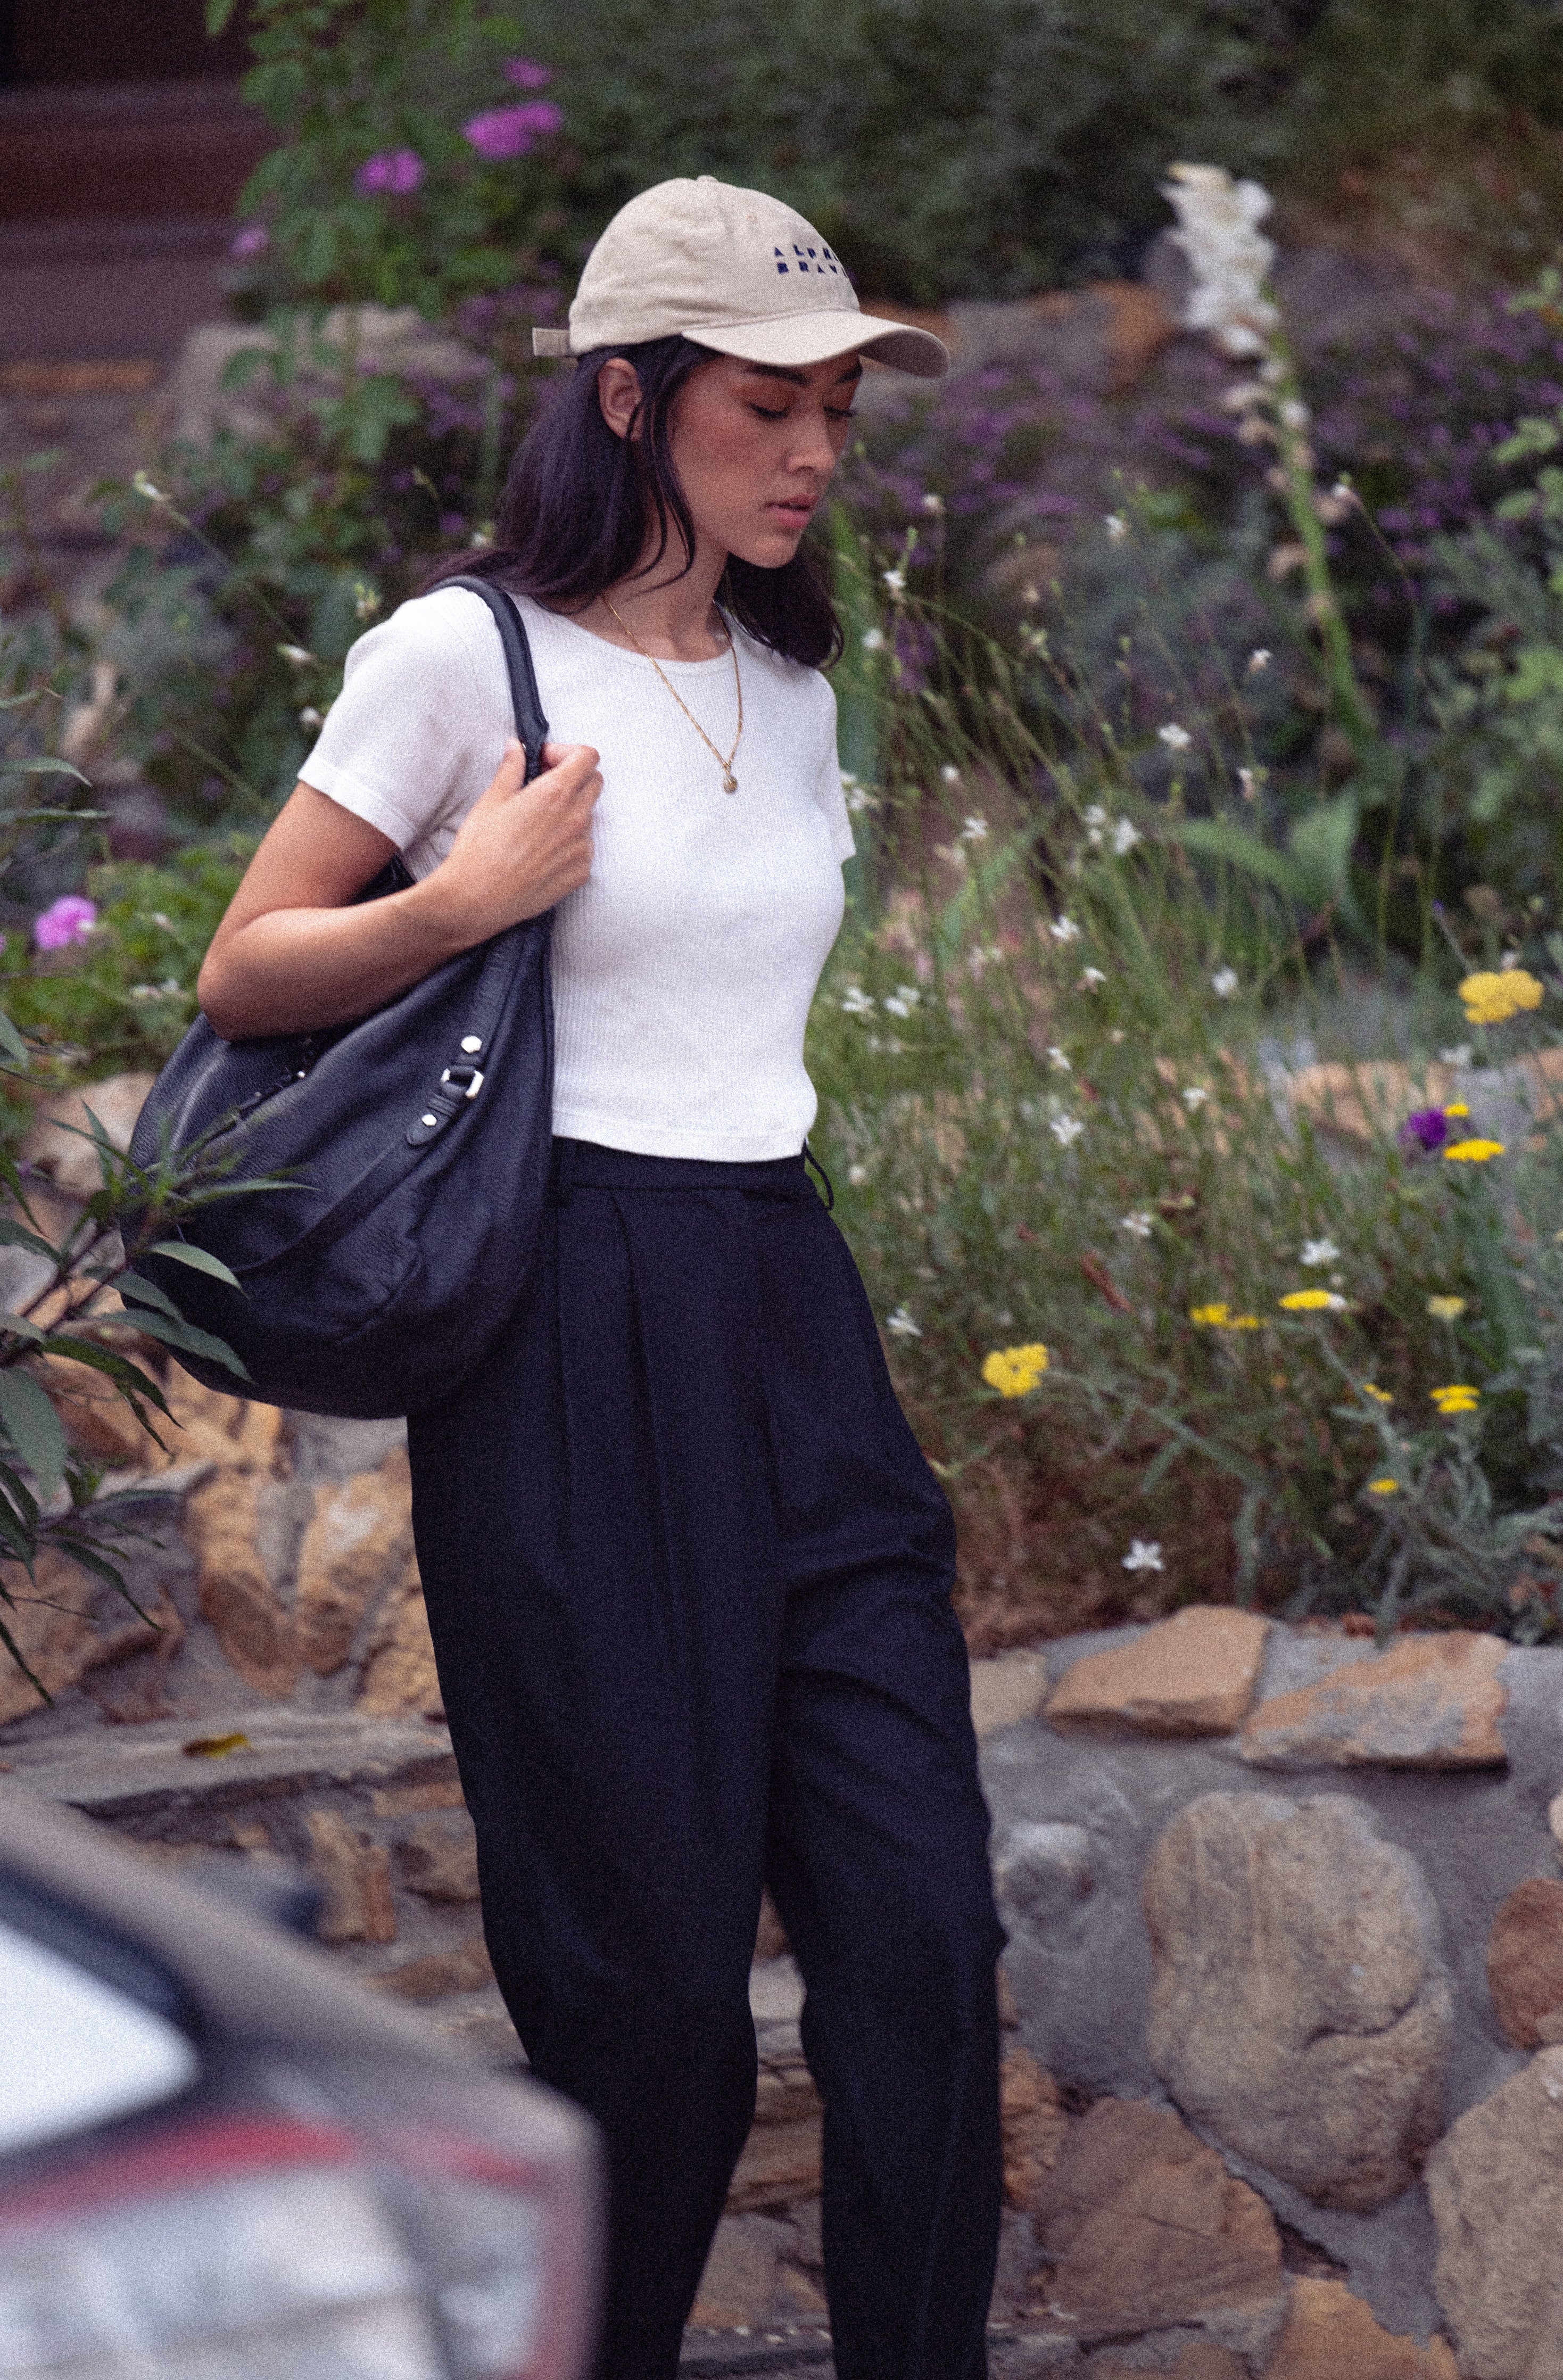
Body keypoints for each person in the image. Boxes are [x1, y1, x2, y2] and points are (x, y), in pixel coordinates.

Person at [196, 175, 1005, 2380]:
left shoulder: (789, 678)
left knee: (924, 1933)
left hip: (784, 1294)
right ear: (631, 398)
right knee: (644, 1992)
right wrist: (463, 899)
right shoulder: (465, 654)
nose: (815, 451)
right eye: (770, 404)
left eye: (837, 407)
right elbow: (244, 964)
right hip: (564, 1322)